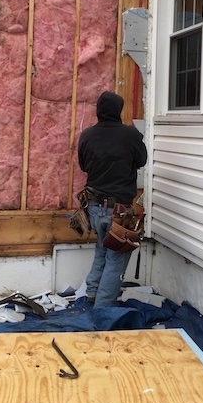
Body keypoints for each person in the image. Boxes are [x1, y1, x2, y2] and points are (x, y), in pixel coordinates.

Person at [78, 91, 147, 308]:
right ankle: (103, 310)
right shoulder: (130, 135)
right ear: (119, 110)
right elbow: (142, 160)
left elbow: (84, 165)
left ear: (99, 110)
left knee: (102, 249)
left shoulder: (87, 135)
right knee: (115, 260)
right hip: (119, 212)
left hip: (95, 208)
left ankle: (92, 294)